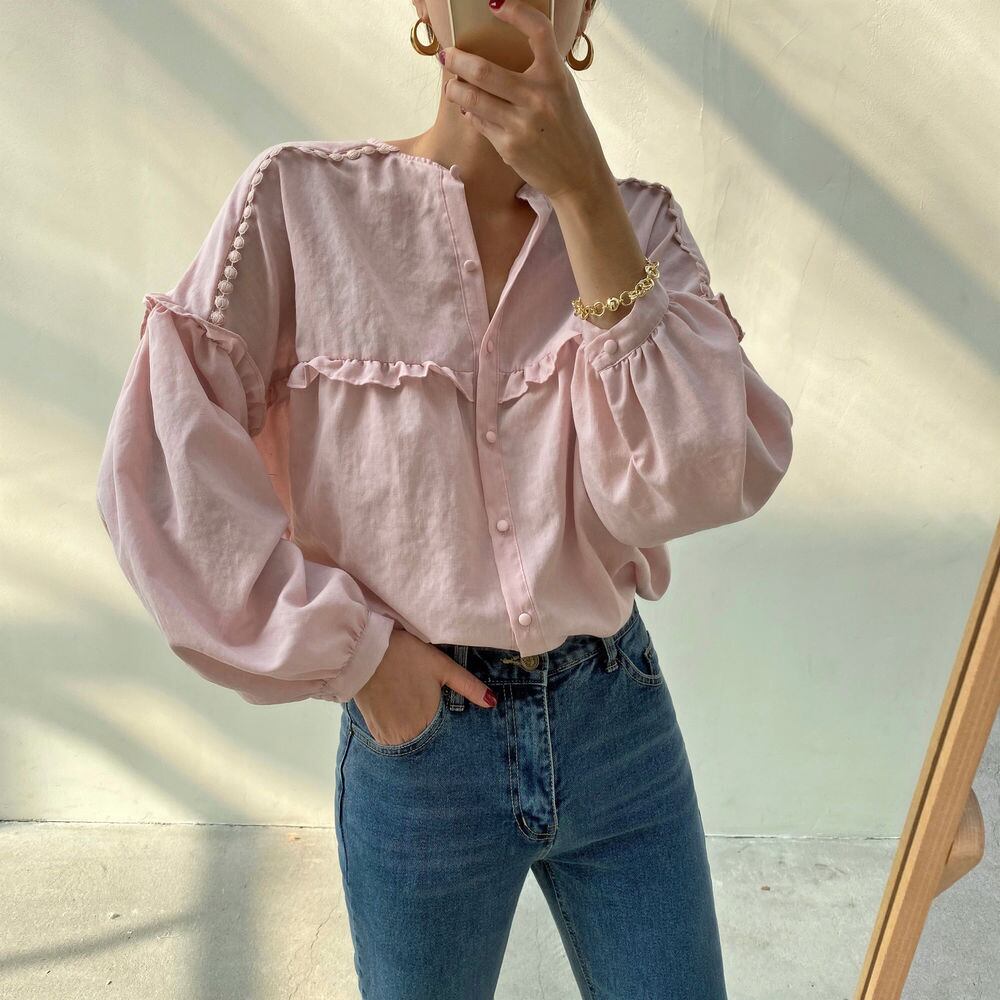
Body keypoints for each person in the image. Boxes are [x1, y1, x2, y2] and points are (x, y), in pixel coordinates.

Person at [96, 0, 794, 995]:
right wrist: (361, 657)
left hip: (618, 720)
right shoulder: (301, 205)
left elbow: (693, 481)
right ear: (423, 9)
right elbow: (166, 465)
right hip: (422, 749)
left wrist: (584, 190)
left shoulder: (641, 230)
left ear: (583, 14)